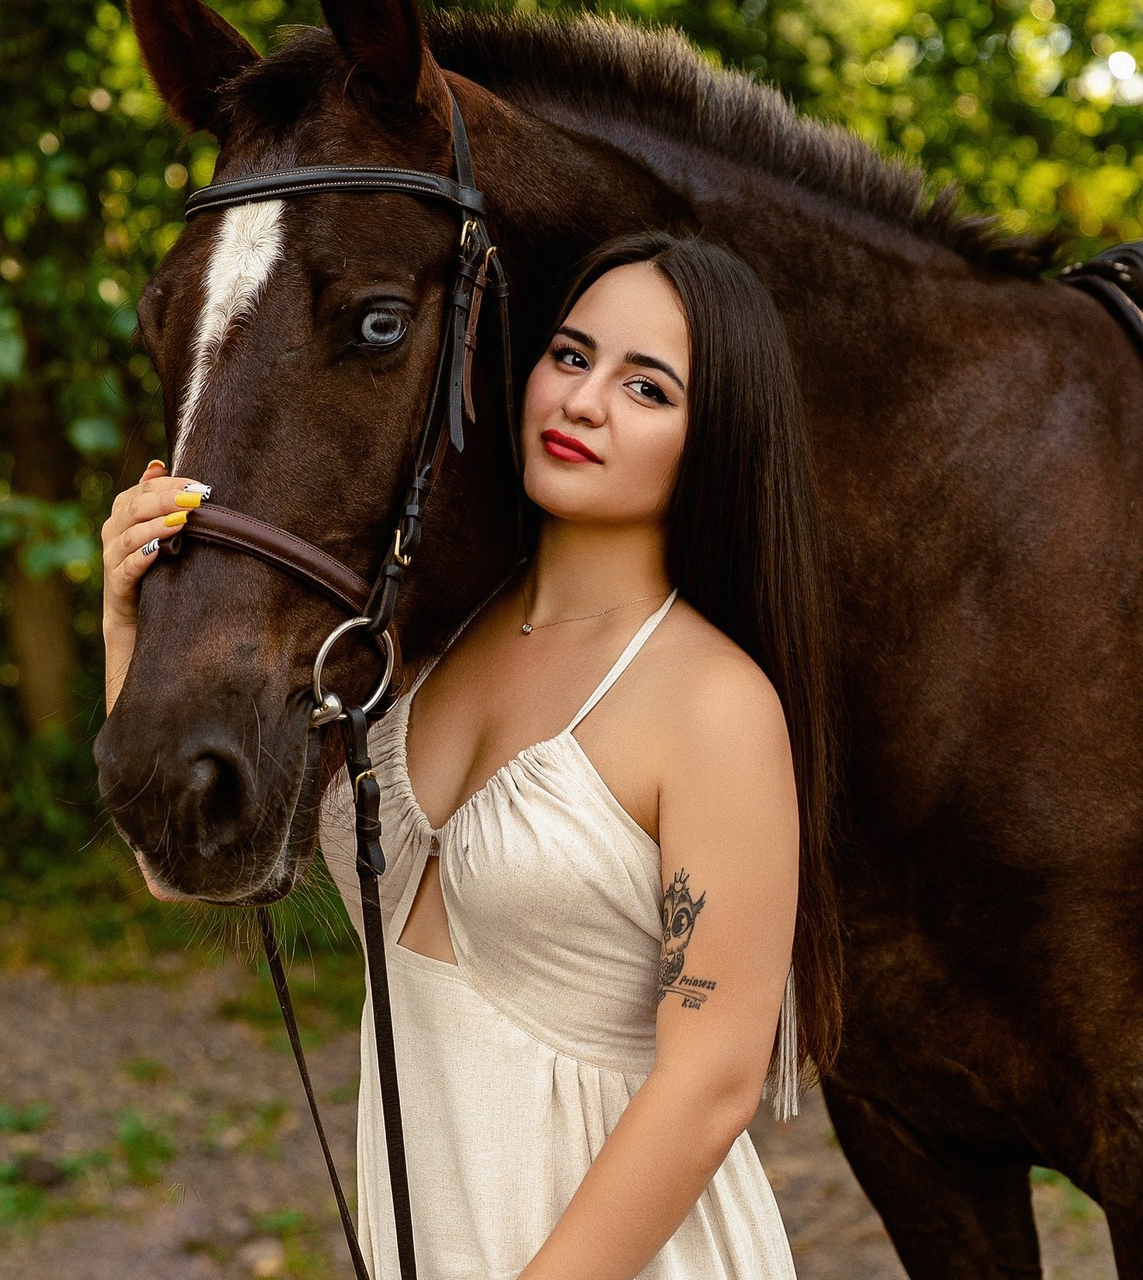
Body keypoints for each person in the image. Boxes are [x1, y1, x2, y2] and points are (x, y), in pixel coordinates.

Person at [101, 230, 842, 1278]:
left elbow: (710, 1084)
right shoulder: (411, 657)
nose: (583, 401)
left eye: (646, 387)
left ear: (714, 435)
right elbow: (188, 869)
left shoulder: (713, 703)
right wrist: (127, 616)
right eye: (572, 356)